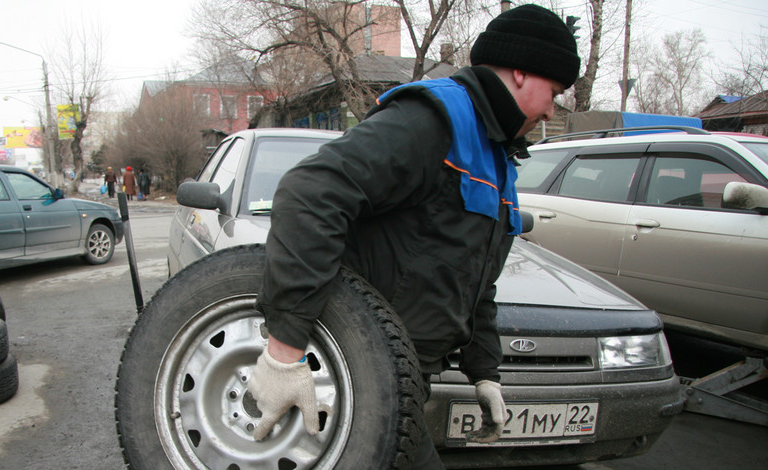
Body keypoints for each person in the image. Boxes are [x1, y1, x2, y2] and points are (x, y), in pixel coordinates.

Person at [248, 4, 580, 467]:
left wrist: (485, 372)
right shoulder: (435, 120)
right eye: (555, 91)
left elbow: (476, 280)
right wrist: (285, 350)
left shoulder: (497, 156)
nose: (551, 110)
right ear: (522, 71)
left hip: (407, 371)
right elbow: (310, 192)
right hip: (361, 362)